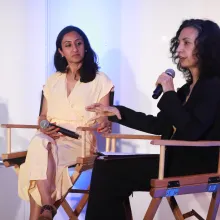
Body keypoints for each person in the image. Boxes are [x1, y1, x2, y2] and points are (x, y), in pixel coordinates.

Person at [85, 19, 220, 220]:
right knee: (104, 166)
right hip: (175, 160)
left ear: (206, 47)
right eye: (179, 43)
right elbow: (159, 124)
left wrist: (168, 93)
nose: (179, 49)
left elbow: (192, 130)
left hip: (198, 164)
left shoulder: (214, 85)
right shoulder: (186, 90)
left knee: (109, 171)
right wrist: (116, 112)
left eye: (187, 43)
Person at [18, 26, 114, 220]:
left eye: (79, 43)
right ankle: (48, 206)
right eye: (68, 45)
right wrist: (46, 126)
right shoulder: (53, 80)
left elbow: (105, 114)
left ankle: (42, 210)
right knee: (40, 143)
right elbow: (42, 117)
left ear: (85, 47)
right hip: (50, 136)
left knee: (37, 158)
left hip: (80, 140)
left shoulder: (100, 80)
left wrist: (104, 120)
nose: (75, 49)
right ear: (61, 51)